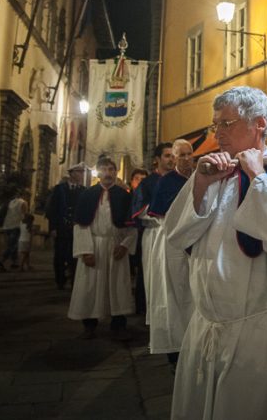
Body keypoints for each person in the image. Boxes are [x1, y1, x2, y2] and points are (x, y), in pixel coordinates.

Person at [166, 86, 267, 420]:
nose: (217, 133)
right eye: (215, 124)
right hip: (206, 328)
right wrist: (200, 184)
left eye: (226, 124)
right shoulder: (216, 171)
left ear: (259, 123)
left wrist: (257, 174)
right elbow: (176, 235)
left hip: (257, 335)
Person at [67, 156, 137, 340]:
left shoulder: (124, 196)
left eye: (111, 169)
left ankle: (119, 324)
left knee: (117, 285)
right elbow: (81, 225)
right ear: (98, 173)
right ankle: (89, 325)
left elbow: (132, 226)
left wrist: (124, 245)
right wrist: (85, 250)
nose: (108, 173)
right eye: (104, 169)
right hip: (94, 245)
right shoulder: (87, 195)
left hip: (115, 245)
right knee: (90, 285)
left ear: (115, 173)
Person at [142, 138, 194, 372]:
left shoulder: (198, 178)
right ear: (173, 158)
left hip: (196, 244)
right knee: (173, 296)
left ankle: (194, 347)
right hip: (172, 244)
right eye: (180, 155)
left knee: (194, 296)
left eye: (189, 154)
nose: (185, 159)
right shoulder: (166, 182)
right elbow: (161, 216)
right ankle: (175, 351)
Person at [132, 143, 175, 314]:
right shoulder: (148, 183)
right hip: (155, 234)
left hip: (175, 235)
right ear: (157, 160)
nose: (171, 159)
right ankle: (153, 315)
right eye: (167, 156)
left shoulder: (180, 180)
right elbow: (139, 210)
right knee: (154, 276)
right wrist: (162, 216)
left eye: (173, 155)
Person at [47, 163, 88, 289]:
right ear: (71, 173)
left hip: (76, 228)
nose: (81, 175)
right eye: (78, 172)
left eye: (82, 172)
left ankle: (74, 279)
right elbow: (52, 209)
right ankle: (60, 279)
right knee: (60, 254)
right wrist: (53, 227)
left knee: (74, 255)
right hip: (61, 226)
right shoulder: (59, 189)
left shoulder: (84, 191)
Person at [0, 190, 28, 272]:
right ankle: (1, 261)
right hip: (16, 226)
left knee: (12, 243)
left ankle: (15, 262)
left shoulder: (11, 202)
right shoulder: (23, 203)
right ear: (24, 195)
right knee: (12, 245)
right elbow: (25, 216)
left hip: (7, 226)